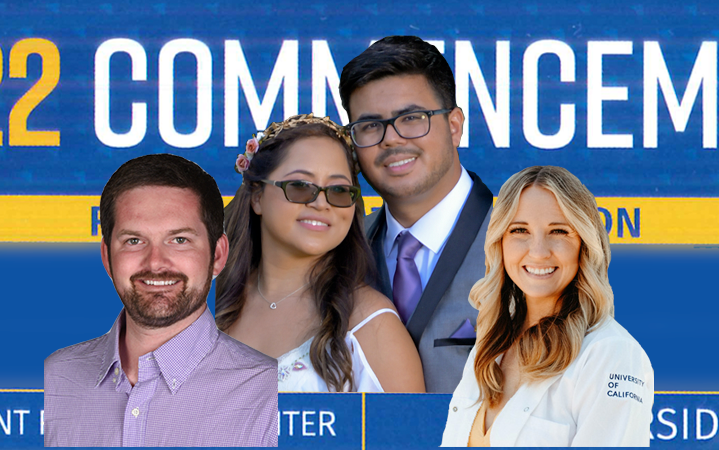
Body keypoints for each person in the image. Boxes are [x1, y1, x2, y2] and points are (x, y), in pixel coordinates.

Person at [43, 154, 278, 447]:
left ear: (218, 256)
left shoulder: (271, 395)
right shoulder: (52, 380)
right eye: (134, 241)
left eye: (179, 240)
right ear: (107, 256)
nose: (155, 263)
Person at [441, 166, 653, 447]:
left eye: (559, 231)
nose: (539, 251)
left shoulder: (611, 354)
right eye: (520, 230)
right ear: (500, 242)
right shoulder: (489, 345)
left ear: (584, 244)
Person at [216, 114, 424, 393]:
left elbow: (410, 422)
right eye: (301, 187)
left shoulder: (372, 325)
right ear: (257, 197)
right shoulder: (206, 303)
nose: (322, 203)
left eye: (338, 190)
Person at [339, 35, 493, 393]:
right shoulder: (339, 253)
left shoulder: (530, 246)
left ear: (454, 126)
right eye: (370, 125)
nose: (391, 139)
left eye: (411, 118)